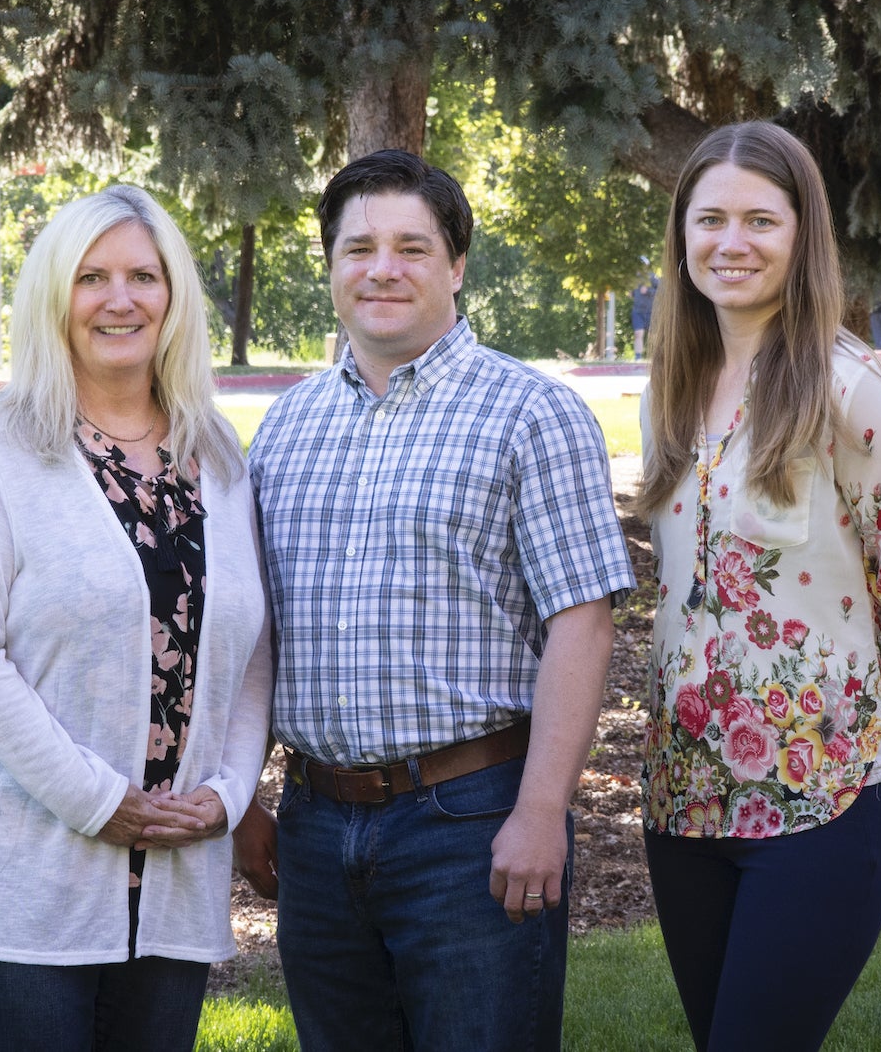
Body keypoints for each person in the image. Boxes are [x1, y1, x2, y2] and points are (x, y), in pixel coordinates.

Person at [232, 149, 635, 1051]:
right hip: (315, 821)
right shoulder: (286, 426)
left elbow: (585, 621)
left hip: (473, 818)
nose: (383, 267)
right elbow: (257, 630)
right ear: (331, 266)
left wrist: (540, 811)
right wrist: (242, 793)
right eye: (358, 247)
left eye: (413, 247)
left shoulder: (533, 412)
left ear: (456, 265)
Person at [0, 185, 273, 1052]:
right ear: (56, 298)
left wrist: (227, 795)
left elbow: (253, 648)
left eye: (143, 275)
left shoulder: (217, 455)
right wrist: (96, 799)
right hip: (24, 868)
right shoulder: (3, 443)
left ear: (174, 295)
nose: (120, 299)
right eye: (92, 277)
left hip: (176, 872)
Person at [634, 122, 881, 1051]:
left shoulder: (850, 388)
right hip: (683, 800)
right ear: (682, 234)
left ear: (801, 233)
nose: (730, 243)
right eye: (709, 220)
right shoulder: (675, 384)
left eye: (758, 220)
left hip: (825, 799)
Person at [631, 262, 658, 360]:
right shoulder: (633, 278)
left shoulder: (652, 276)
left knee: (654, 335)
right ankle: (638, 357)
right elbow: (633, 293)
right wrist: (631, 293)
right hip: (637, 310)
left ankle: (655, 357)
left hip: (651, 311)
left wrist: (648, 291)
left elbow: (661, 290)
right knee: (638, 333)